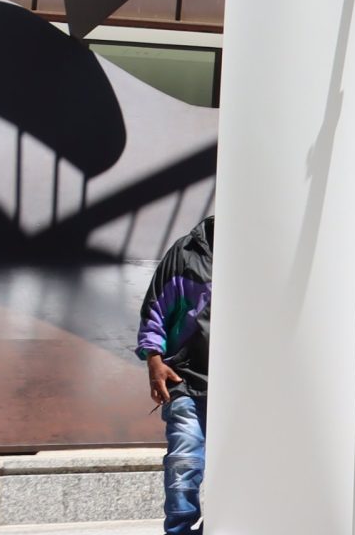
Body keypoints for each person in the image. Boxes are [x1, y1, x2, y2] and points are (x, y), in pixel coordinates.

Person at [137, 217, 214, 535]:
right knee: (184, 460)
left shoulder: (263, 249)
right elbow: (155, 307)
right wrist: (153, 360)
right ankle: (179, 530)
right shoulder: (186, 252)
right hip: (186, 379)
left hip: (243, 388)